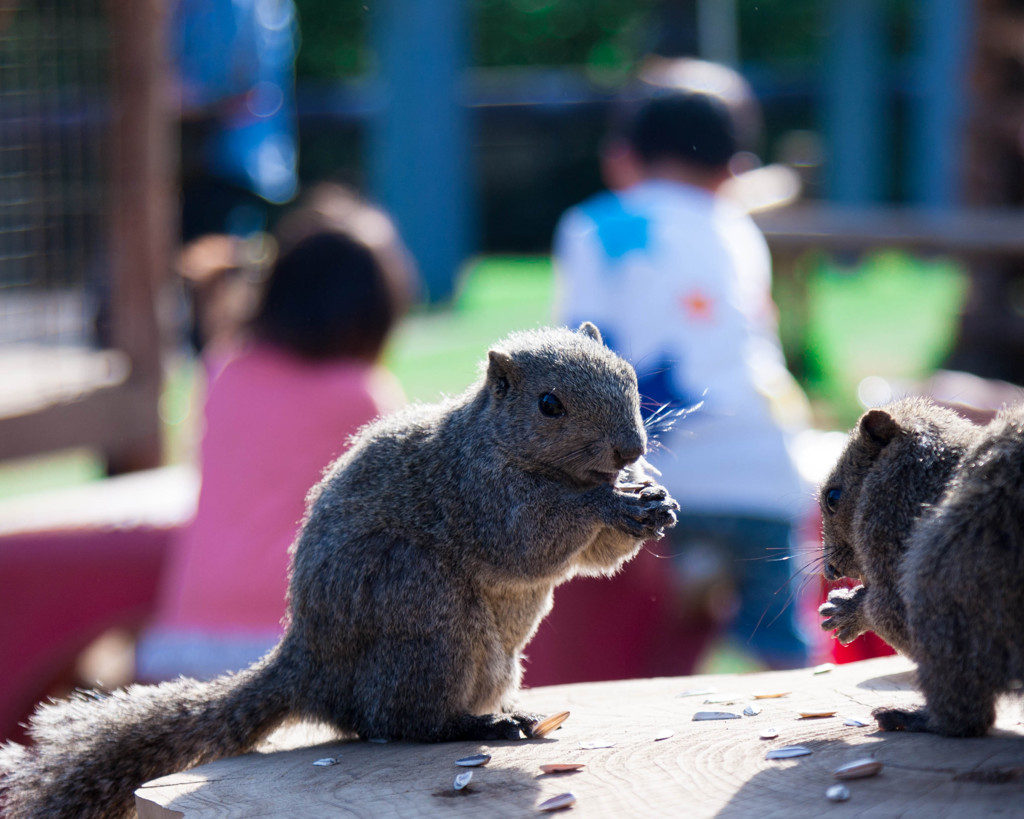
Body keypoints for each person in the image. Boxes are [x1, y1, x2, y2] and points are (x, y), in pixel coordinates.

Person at [552, 88, 813, 671]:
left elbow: (577, 355)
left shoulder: (594, 225)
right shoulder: (736, 229)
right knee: (782, 645)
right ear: (732, 170)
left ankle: (688, 577)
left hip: (657, 466)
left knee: (646, 637)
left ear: (621, 157)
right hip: (762, 465)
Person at [136, 186, 414, 681]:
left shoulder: (224, 370)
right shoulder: (360, 395)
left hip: (186, 634)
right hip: (294, 643)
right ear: (371, 319)